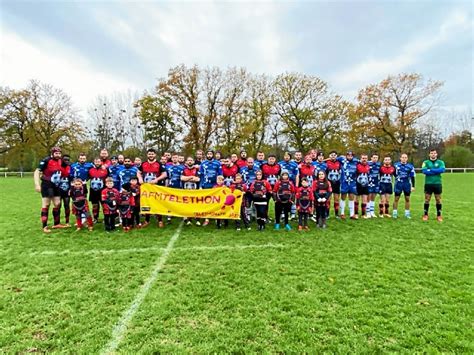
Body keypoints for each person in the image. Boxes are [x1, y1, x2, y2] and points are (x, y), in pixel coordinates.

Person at [34, 146, 67, 233]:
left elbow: (67, 168)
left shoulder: (60, 161)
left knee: (57, 204)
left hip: (56, 185)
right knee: (46, 205)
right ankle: (44, 226)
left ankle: (56, 224)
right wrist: (37, 184)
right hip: (47, 185)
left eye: (59, 153)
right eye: (56, 153)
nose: (58, 155)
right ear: (52, 154)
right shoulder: (46, 160)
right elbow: (37, 171)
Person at [137, 148, 168, 228]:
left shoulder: (159, 164)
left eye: (152, 154)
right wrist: (140, 178)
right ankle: (147, 221)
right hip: (146, 188)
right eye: (149, 154)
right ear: (147, 155)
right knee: (147, 203)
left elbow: (165, 174)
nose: (151, 155)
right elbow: (138, 172)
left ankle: (160, 220)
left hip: (156, 187)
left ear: (155, 155)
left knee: (158, 203)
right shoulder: (143, 164)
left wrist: (156, 179)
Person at [199, 150, 222, 226]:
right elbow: (201, 175)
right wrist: (201, 185)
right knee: (207, 202)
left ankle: (216, 218)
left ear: (213, 155)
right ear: (206, 155)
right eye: (208, 154)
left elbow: (220, 175)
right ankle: (207, 218)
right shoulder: (203, 163)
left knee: (216, 201)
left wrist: (220, 184)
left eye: (210, 154)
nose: (209, 155)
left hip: (215, 185)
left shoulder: (217, 163)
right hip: (206, 185)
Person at [421, 149, 445, 222]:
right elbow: (424, 171)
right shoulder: (425, 162)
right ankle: (425, 214)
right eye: (431, 153)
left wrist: (431, 170)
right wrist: (436, 171)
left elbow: (442, 170)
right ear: (429, 154)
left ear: (436, 154)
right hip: (428, 184)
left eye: (434, 153)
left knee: (438, 200)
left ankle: (439, 215)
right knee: (427, 199)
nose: (433, 154)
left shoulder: (440, 162)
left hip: (437, 183)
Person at [393, 153, 415, 219]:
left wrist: (413, 186)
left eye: (405, 157)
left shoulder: (410, 166)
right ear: (400, 158)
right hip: (398, 184)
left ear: (407, 158)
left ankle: (407, 213)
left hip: (407, 184)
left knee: (407, 199)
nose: (404, 159)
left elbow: (412, 177)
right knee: (396, 198)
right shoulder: (396, 165)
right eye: (403, 157)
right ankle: (394, 213)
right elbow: (394, 173)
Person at [181, 156, 201, 226]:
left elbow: (198, 179)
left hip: (195, 190)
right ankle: (187, 219)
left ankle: (197, 219)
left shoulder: (197, 170)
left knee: (196, 204)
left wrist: (187, 178)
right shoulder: (184, 169)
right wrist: (191, 177)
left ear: (193, 162)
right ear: (186, 162)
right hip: (186, 190)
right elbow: (182, 178)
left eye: (191, 160)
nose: (190, 161)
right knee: (186, 204)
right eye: (188, 160)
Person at [338, 150, 358, 219]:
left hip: (352, 182)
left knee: (351, 197)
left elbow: (364, 162)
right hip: (344, 182)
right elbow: (333, 158)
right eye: (348, 155)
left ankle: (352, 214)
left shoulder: (356, 161)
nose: (349, 157)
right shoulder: (342, 160)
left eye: (351, 156)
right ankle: (342, 213)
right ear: (346, 156)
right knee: (343, 197)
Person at [279, 152, 299, 220]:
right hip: (282, 185)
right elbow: (278, 175)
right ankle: (283, 214)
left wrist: (296, 185)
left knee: (292, 199)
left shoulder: (294, 164)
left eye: (288, 156)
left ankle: (293, 214)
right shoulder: (280, 164)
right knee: (282, 198)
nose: (286, 157)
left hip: (292, 184)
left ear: (290, 157)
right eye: (285, 156)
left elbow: (297, 175)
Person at [88, 157, 109, 223]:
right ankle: (95, 218)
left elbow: (109, 178)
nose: (97, 163)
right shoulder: (90, 170)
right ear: (94, 162)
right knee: (95, 205)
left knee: (104, 205)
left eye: (98, 161)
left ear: (101, 162)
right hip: (93, 191)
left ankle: (106, 218)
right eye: (96, 161)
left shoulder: (105, 169)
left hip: (103, 190)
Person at [326, 151, 342, 218]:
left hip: (337, 183)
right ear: (329, 156)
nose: (333, 156)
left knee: (336, 199)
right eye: (331, 155)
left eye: (334, 155)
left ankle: (336, 214)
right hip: (329, 183)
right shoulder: (326, 162)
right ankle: (327, 214)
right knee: (328, 199)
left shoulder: (339, 162)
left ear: (336, 156)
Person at [58, 154, 72, 226]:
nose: (66, 161)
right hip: (58, 189)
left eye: (68, 160)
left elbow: (71, 179)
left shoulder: (70, 167)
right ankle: (57, 222)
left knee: (67, 205)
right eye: (65, 160)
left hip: (67, 189)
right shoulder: (58, 167)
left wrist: (70, 189)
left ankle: (67, 222)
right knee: (58, 205)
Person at [355, 153, 370, 218]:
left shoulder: (369, 165)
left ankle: (363, 214)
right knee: (357, 199)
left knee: (364, 199)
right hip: (358, 184)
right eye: (363, 158)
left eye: (365, 158)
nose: (364, 159)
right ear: (360, 159)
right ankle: (356, 213)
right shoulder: (357, 165)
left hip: (366, 184)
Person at [367, 153, 381, 218]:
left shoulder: (379, 164)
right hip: (369, 182)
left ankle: (372, 212)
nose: (375, 159)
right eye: (374, 157)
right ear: (371, 158)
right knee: (369, 197)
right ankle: (368, 212)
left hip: (376, 182)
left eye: (376, 158)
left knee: (373, 197)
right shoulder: (368, 164)